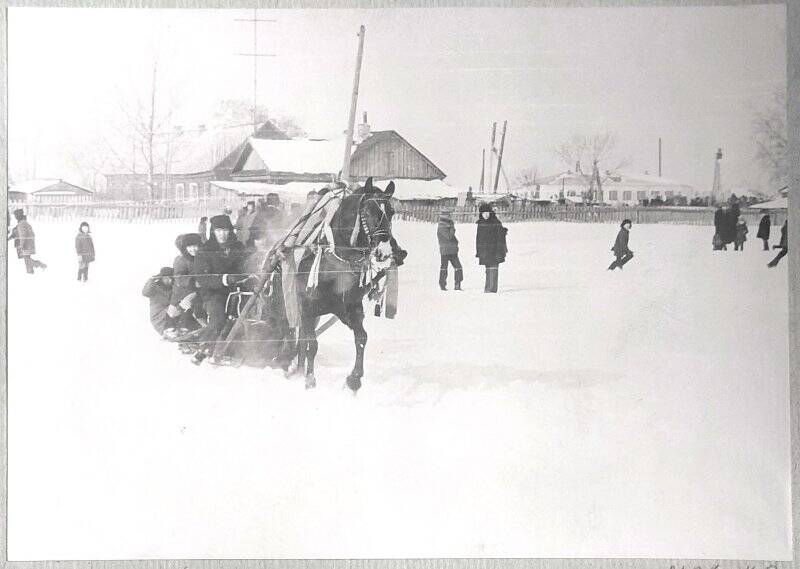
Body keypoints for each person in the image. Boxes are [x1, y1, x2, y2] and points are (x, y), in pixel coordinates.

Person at [191, 214, 248, 364]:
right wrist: (224, 279)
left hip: (236, 291)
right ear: (213, 231)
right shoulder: (205, 250)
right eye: (218, 230)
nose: (222, 234)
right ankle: (203, 349)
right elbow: (202, 278)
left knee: (241, 319)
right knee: (218, 319)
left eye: (225, 230)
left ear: (230, 231)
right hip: (213, 293)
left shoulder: (238, 247)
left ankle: (231, 351)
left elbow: (245, 266)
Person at [169, 233, 204, 331]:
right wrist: (193, 281)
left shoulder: (199, 257)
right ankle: (186, 326)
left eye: (195, 246)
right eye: (189, 246)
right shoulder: (181, 260)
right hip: (185, 290)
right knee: (189, 305)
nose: (193, 249)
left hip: (198, 288)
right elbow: (179, 277)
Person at [475, 203, 507, 293]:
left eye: (487, 213)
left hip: (495, 249)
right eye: (484, 213)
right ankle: (487, 287)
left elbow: (500, 237)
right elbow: (478, 238)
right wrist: (479, 251)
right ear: (481, 214)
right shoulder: (481, 223)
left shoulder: (495, 222)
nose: (486, 215)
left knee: (493, 268)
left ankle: (492, 289)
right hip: (485, 250)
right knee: (488, 268)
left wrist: (500, 251)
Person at [8, 209, 46, 274]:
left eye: (16, 215)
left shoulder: (22, 223)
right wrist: (9, 238)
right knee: (27, 259)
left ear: (18, 215)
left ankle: (41, 265)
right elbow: (15, 233)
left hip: (26, 244)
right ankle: (30, 272)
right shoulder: (22, 222)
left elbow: (23, 235)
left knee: (27, 260)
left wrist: (21, 245)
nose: (15, 217)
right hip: (28, 243)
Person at [141, 267, 177, 336]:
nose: (169, 280)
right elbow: (145, 292)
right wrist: (152, 279)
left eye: (171, 278)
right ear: (162, 277)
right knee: (172, 310)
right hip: (159, 317)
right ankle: (169, 331)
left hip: (170, 314)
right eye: (166, 278)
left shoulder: (172, 287)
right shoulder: (154, 288)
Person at [437, 208, 463, 291]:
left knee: (458, 267)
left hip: (452, 250)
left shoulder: (447, 224)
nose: (450, 216)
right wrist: (453, 228)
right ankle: (442, 285)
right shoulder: (442, 226)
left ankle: (457, 284)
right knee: (444, 268)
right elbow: (449, 236)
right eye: (449, 215)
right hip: (445, 251)